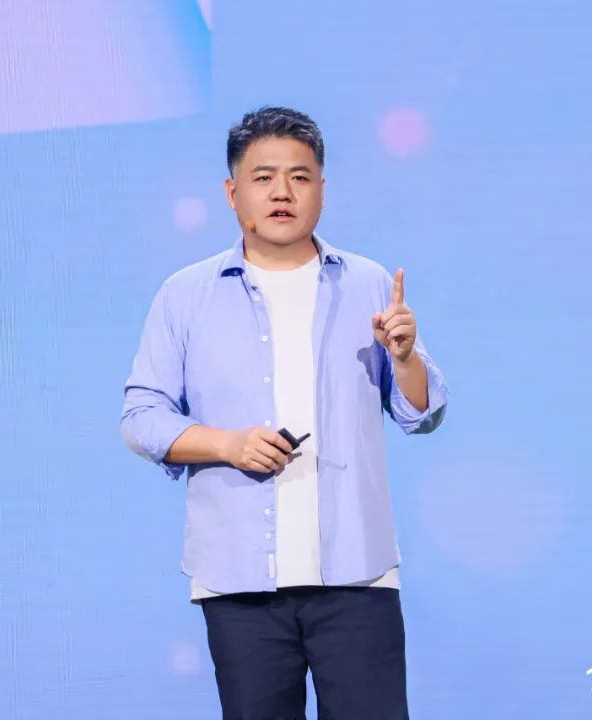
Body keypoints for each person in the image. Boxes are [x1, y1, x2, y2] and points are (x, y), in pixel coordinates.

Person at [120, 106, 448, 719]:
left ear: (322, 189)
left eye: (299, 177)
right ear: (232, 192)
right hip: (239, 581)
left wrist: (404, 358)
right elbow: (141, 416)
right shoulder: (185, 294)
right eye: (263, 177)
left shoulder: (369, 283)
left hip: (357, 575)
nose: (281, 192)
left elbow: (421, 414)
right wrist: (226, 445)